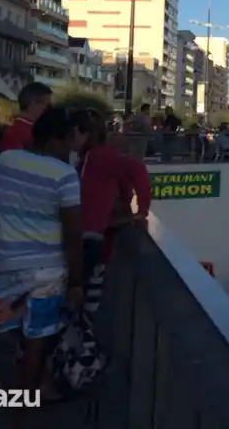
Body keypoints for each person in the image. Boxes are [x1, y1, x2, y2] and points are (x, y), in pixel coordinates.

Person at [0, 107, 85, 403]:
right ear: (56, 139)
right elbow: (73, 232)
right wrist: (76, 281)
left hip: (7, 266)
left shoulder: (5, 160)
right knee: (35, 345)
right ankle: (19, 417)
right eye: (67, 141)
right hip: (48, 272)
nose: (70, 147)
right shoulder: (64, 175)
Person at [74, 110, 151, 324]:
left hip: (91, 235)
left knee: (87, 292)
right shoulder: (90, 157)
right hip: (95, 233)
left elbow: (138, 171)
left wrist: (142, 210)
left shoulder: (98, 157)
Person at [0, 82, 54, 152]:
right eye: (46, 103)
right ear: (33, 102)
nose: (48, 108)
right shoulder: (18, 130)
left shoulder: (15, 124)